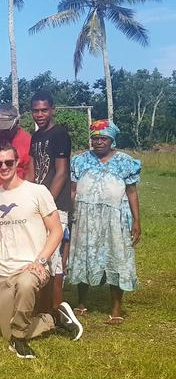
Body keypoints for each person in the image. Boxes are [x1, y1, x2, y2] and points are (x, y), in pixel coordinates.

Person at [0, 142, 82, 359]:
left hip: (34, 265)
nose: (4, 167)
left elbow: (56, 230)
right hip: (6, 268)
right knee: (4, 332)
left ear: (17, 162)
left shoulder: (37, 191)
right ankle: (54, 319)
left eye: (9, 162)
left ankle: (19, 341)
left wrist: (41, 260)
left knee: (26, 284)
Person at [68, 120, 141, 325]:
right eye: (95, 138)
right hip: (84, 217)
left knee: (116, 256)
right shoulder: (80, 161)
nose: (98, 142)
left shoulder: (125, 162)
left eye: (103, 138)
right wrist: (69, 215)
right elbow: (73, 191)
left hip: (114, 218)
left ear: (112, 140)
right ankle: (82, 303)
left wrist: (136, 221)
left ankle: (116, 308)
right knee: (83, 255)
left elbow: (132, 192)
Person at [27, 91, 72, 311]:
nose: (40, 114)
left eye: (44, 110)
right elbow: (33, 170)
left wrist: (46, 203)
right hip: (37, 203)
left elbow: (61, 173)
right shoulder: (35, 137)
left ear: (52, 109)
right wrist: (26, 197)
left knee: (53, 257)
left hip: (56, 206)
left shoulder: (60, 134)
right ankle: (41, 304)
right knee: (39, 252)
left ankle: (57, 308)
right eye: (36, 110)